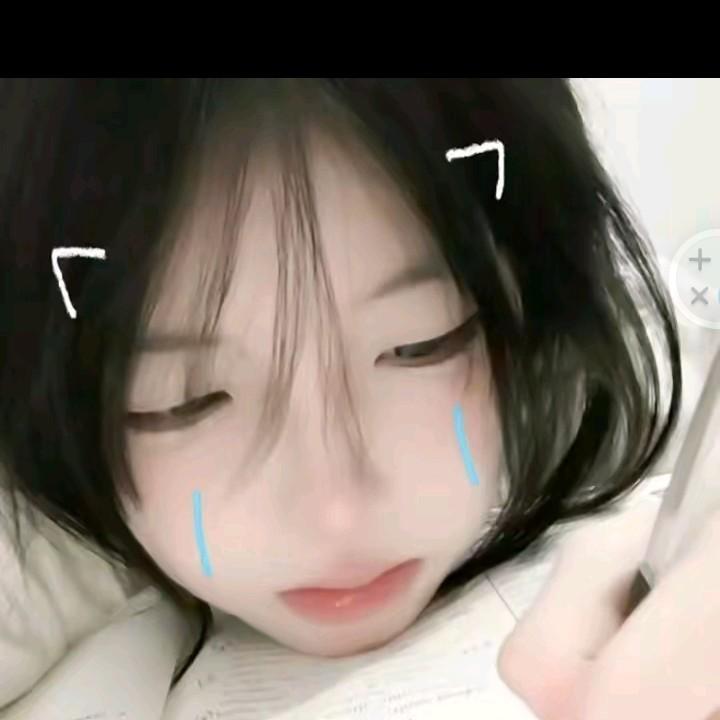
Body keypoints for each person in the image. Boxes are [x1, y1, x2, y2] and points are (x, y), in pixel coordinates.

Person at [0, 78, 705, 716]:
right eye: (189, 399)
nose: (335, 512)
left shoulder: (586, 380)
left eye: (420, 343)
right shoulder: (48, 533)